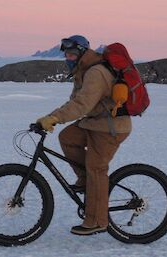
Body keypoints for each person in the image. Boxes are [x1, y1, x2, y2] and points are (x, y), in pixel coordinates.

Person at [36, 35, 132, 236]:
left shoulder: (95, 73)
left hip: (110, 127)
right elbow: (73, 102)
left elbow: (82, 106)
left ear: (81, 52)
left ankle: (97, 221)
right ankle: (86, 180)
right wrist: (50, 116)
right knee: (68, 138)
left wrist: (54, 118)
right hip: (95, 122)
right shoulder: (83, 71)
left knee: (96, 168)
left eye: (72, 54)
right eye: (66, 54)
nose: (68, 58)